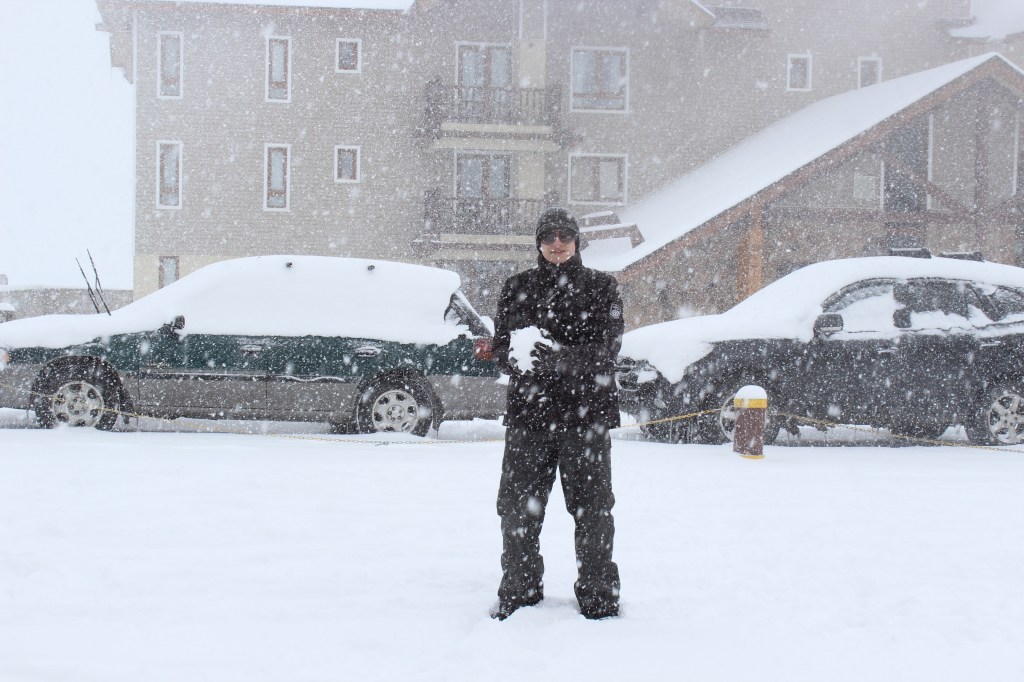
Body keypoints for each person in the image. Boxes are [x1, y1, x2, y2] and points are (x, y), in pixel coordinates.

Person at [490, 207, 623, 621]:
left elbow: (608, 350)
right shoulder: (517, 287)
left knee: (593, 510)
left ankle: (599, 596)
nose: (557, 243)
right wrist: (511, 357)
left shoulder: (601, 287)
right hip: (529, 417)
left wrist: (562, 360)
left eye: (565, 235)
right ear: (539, 243)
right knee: (517, 508)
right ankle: (519, 590)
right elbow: (499, 347)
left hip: (586, 418)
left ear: (577, 241)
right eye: (549, 237)